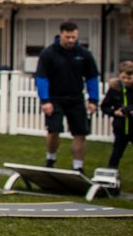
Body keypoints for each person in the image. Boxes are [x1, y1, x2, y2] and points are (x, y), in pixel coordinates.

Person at [35, 21, 99, 173]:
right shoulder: (49, 53)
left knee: (80, 133)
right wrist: (45, 100)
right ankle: (50, 158)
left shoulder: (84, 54)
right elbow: (42, 78)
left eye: (74, 37)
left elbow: (92, 78)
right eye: (68, 37)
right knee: (54, 130)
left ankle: (78, 167)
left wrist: (93, 100)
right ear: (61, 34)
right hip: (54, 98)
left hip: (76, 98)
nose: (71, 40)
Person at [99, 60, 133, 173]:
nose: (126, 81)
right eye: (123, 78)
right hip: (120, 128)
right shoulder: (114, 89)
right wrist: (115, 112)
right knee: (117, 153)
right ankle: (111, 174)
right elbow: (104, 106)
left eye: (129, 78)